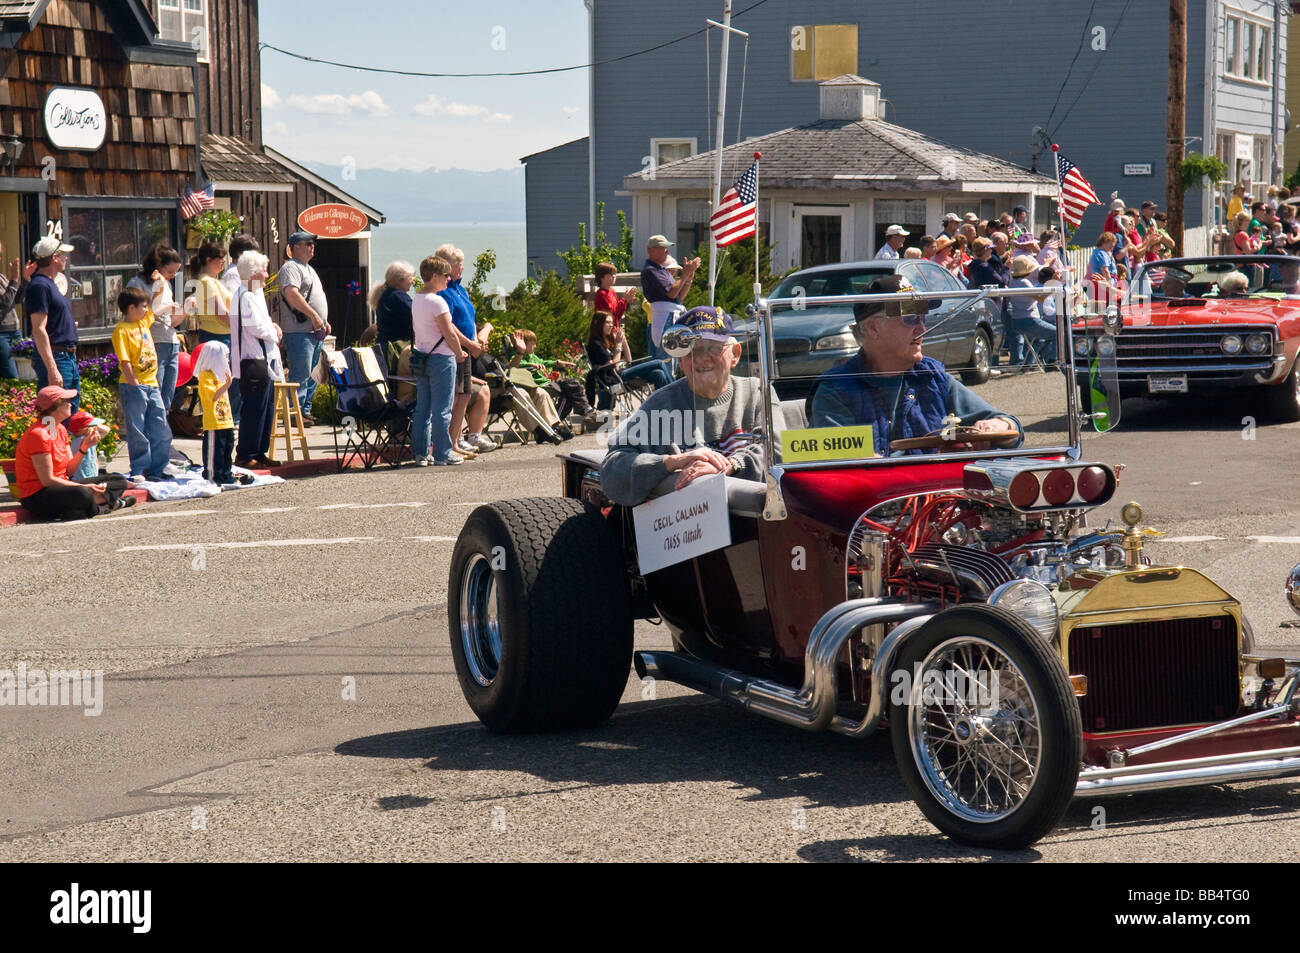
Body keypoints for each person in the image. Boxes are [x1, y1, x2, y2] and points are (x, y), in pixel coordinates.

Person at [809, 276, 1021, 456]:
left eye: (922, 318)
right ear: (873, 329)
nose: (921, 328)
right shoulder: (836, 389)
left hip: (937, 497)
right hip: (877, 501)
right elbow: (834, 458)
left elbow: (1011, 427)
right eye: (910, 318)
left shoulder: (931, 376)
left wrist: (999, 426)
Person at [600, 305, 784, 506]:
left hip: (755, 522)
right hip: (684, 525)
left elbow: (779, 450)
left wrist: (731, 465)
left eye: (713, 347)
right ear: (679, 360)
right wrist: (670, 463)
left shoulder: (757, 392)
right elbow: (612, 469)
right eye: (692, 349)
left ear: (735, 354)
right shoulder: (660, 405)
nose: (702, 357)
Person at [15, 386, 132, 520]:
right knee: (83, 493)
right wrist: (84, 486)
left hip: (61, 486)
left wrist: (84, 448)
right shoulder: (38, 434)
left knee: (119, 480)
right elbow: (47, 480)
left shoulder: (60, 429)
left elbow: (69, 471)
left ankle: (83, 509)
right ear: (55, 405)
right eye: (66, 401)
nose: (71, 404)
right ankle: (104, 507)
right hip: (37, 495)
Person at [433, 244, 495, 457]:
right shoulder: (444, 292)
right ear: (446, 265)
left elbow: (468, 318)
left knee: (465, 394)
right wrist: (467, 344)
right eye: (458, 262)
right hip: (453, 349)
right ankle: (454, 439)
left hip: (468, 349)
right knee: (456, 396)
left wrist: (477, 339)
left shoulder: (461, 289)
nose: (461, 266)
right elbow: (448, 323)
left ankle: (457, 439)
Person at [409, 255, 466, 466]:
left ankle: (421, 453)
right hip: (442, 358)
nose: (448, 279)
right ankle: (443, 453)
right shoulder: (437, 301)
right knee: (442, 409)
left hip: (422, 357)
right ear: (434, 276)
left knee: (423, 407)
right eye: (445, 276)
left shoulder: (417, 299)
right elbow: (449, 332)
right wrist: (459, 353)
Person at [112, 286, 172, 482]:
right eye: (142, 306)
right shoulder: (122, 330)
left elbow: (153, 309)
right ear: (131, 308)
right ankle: (139, 468)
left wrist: (159, 288)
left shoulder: (143, 323)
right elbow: (125, 360)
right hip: (134, 385)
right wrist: (134, 382)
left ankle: (158, 468)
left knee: (160, 427)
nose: (146, 310)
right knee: (137, 429)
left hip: (152, 384)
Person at [231, 250, 284, 469]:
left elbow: (265, 321)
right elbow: (256, 327)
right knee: (254, 408)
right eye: (263, 270)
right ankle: (246, 453)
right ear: (253, 273)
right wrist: (274, 332)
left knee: (267, 407)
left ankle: (260, 451)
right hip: (252, 360)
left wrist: (273, 327)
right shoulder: (244, 296)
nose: (266, 274)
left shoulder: (254, 294)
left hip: (265, 359)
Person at [128, 243, 185, 416]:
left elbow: (171, 322)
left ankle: (161, 431)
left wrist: (185, 309)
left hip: (171, 341)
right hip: (152, 342)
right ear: (158, 266)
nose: (173, 276)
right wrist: (162, 305)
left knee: (167, 393)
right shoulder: (138, 283)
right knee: (155, 390)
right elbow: (137, 316)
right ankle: (152, 433)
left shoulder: (165, 284)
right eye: (170, 272)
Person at [277, 231, 329, 418]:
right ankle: (295, 413)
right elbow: (291, 293)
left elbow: (313, 297)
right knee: (301, 372)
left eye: (312, 243)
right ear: (295, 247)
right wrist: (315, 316)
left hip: (313, 330)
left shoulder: (309, 268)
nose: (312, 246)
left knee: (313, 373)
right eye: (307, 243)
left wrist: (323, 321)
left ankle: (304, 411)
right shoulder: (291, 267)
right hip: (299, 331)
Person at [25, 235, 80, 407]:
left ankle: (66, 436)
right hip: (57, 357)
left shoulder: (50, 284)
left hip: (67, 355)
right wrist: (52, 368)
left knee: (70, 411)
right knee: (56, 412)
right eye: (63, 254)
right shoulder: (39, 286)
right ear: (54, 258)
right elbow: (39, 329)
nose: (66, 258)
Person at [188, 240, 239, 423]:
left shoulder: (215, 281)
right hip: (216, 337)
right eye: (220, 258)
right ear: (209, 259)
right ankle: (224, 420)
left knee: (229, 380)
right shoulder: (206, 282)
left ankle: (229, 418)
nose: (223, 261)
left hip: (225, 335)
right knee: (224, 380)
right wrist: (244, 325)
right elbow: (221, 314)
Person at [506, 327, 595, 428]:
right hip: (539, 385)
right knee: (571, 383)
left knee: (569, 393)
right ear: (524, 344)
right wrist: (532, 365)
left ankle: (555, 423)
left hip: (547, 383)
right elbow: (515, 365)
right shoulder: (517, 355)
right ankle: (586, 410)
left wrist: (558, 362)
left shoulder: (532, 355)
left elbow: (543, 362)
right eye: (533, 343)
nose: (535, 346)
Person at [585, 311, 671, 409]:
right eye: (607, 322)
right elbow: (615, 367)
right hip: (615, 378)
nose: (611, 325)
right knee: (658, 363)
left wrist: (623, 340)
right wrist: (618, 345)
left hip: (622, 374)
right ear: (598, 324)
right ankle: (675, 395)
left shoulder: (607, 341)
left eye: (611, 322)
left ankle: (664, 406)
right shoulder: (596, 344)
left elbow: (629, 360)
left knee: (658, 373)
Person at [193, 341, 250, 486]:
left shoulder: (221, 377)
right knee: (215, 450)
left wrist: (225, 383)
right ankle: (213, 475)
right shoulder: (206, 376)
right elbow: (212, 396)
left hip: (225, 420)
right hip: (214, 422)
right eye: (225, 357)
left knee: (227, 449)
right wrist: (226, 385)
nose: (227, 360)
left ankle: (225, 473)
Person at [640, 234, 700, 357]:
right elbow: (672, 293)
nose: (667, 252)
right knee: (667, 355)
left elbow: (679, 296)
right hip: (664, 316)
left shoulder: (660, 270)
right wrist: (685, 274)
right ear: (652, 250)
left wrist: (688, 278)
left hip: (670, 314)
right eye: (663, 248)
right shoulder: (651, 269)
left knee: (674, 354)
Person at [1007, 255, 1057, 365]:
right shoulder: (1024, 283)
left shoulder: (1012, 282)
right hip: (1029, 320)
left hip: (1016, 320)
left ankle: (1028, 364)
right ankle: (1052, 360)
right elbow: (1041, 298)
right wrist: (1053, 284)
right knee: (1058, 333)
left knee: (1038, 339)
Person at [0, 248, 35, 379]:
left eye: (0, 255)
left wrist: (25, 279)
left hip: (14, 331)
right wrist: (14, 279)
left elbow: (17, 299)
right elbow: (3, 303)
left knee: (24, 374)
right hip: (1, 334)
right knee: (11, 375)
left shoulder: (1, 277)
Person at [371, 260, 415, 358]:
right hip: (395, 350)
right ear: (399, 280)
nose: (412, 281)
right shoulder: (399, 297)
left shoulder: (385, 295)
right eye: (410, 278)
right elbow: (417, 316)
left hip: (383, 347)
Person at [592, 261, 637, 326]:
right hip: (604, 330)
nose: (613, 276)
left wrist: (626, 301)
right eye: (610, 274)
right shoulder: (601, 294)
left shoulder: (612, 291)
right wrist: (624, 300)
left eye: (614, 274)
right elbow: (611, 315)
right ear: (601, 277)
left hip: (613, 327)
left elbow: (618, 315)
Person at [65, 410, 105, 481]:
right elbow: (106, 430)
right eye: (91, 426)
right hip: (82, 479)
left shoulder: (88, 438)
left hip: (91, 477)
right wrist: (93, 429)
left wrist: (92, 427)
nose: (93, 428)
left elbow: (106, 430)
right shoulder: (81, 440)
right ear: (81, 430)